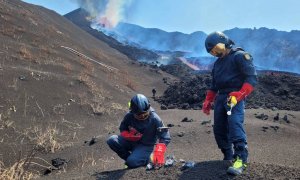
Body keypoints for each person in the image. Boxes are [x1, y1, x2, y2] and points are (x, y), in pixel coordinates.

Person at [202, 31, 257, 175]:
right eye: (213, 52)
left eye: (218, 49)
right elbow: (214, 85)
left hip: (234, 97)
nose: (217, 54)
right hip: (221, 97)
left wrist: (241, 94)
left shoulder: (239, 57)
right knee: (219, 128)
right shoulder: (217, 64)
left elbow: (251, 78)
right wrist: (208, 100)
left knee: (234, 124)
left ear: (225, 42)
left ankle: (240, 159)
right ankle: (228, 155)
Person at [107, 94, 171, 169]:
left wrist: (159, 152)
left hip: (145, 145)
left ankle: (147, 158)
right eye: (139, 115)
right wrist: (128, 135)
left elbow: (165, 136)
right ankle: (131, 159)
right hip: (131, 142)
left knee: (131, 162)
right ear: (132, 111)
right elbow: (123, 128)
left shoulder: (155, 119)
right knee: (111, 140)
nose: (143, 116)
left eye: (145, 113)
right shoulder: (129, 116)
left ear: (148, 108)